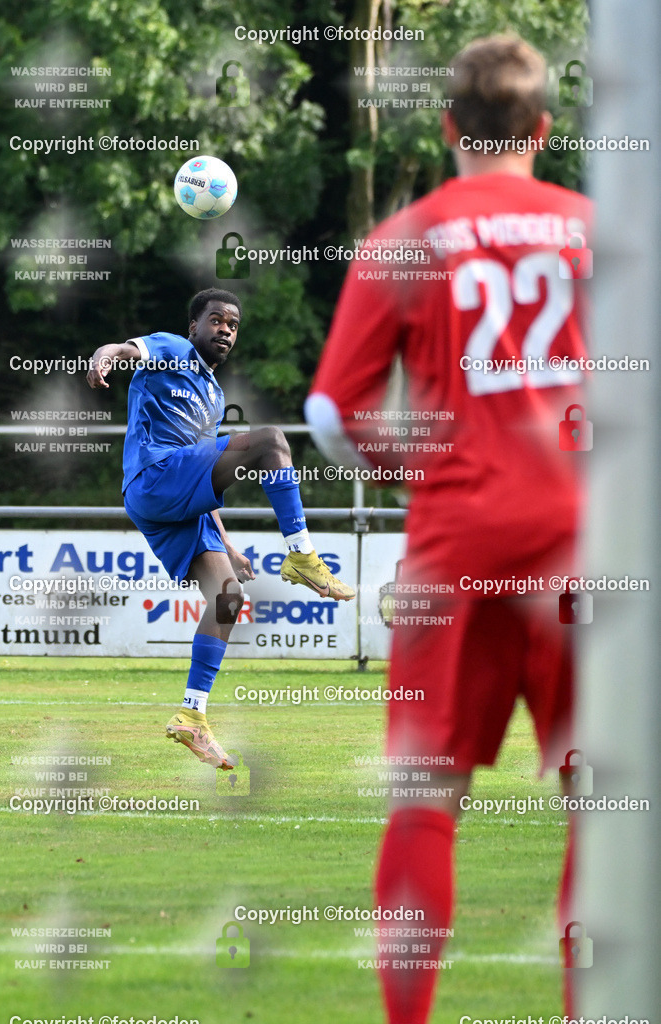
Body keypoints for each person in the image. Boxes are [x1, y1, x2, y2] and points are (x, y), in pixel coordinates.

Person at [305, 35, 591, 1021]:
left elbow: (333, 416)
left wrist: (427, 471)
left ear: (444, 130)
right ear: (544, 132)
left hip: (456, 548)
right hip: (584, 549)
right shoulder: (602, 230)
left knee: (425, 800)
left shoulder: (403, 240)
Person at [86, 287, 354, 769]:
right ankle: (303, 556)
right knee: (271, 440)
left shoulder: (213, 395)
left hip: (179, 495)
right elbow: (127, 350)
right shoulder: (173, 349)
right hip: (154, 476)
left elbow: (203, 472)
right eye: (215, 320)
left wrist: (227, 544)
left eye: (232, 325)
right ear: (195, 326)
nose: (224, 330)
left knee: (228, 597)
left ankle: (192, 716)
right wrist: (104, 356)